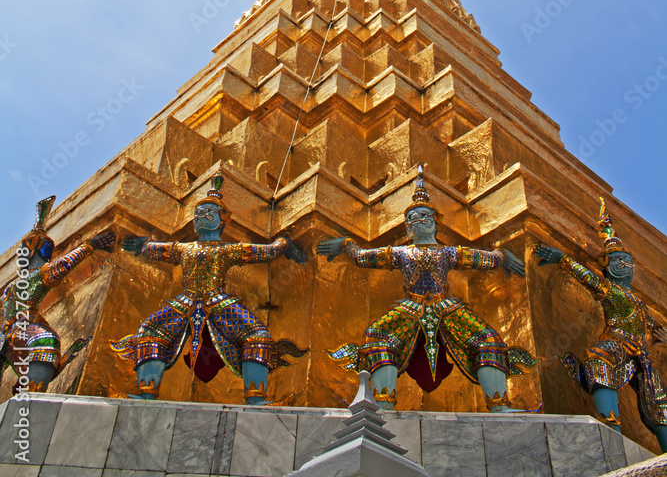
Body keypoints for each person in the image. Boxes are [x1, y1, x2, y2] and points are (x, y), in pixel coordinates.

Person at [317, 165, 539, 410]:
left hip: (446, 306)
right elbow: (362, 258)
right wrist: (346, 244)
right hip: (410, 306)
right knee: (376, 338)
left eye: (423, 216)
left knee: (488, 340)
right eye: (411, 219)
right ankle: (383, 406)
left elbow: (481, 259)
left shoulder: (448, 253)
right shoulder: (400, 253)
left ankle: (499, 405)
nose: (417, 221)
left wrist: (502, 256)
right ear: (407, 228)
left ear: (435, 223)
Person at [111, 175, 307, 402]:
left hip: (219, 301)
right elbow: (158, 250)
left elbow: (267, 252)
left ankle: (256, 397)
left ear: (223, 220)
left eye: (208, 213)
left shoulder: (228, 250)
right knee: (149, 330)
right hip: (185, 300)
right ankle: (146, 392)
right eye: (197, 214)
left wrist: (285, 243)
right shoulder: (184, 249)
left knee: (258, 337)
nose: (200, 217)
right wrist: (143, 243)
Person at [534, 198, 667, 450]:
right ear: (608, 267)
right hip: (616, 342)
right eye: (618, 262)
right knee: (597, 359)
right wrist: (562, 259)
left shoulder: (639, 303)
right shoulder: (610, 290)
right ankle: (609, 425)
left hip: (642, 353)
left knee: (658, 400)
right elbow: (588, 280)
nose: (624, 267)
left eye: (628, 263)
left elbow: (653, 328)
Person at [1, 195, 115, 392]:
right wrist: (91, 246)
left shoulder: (16, 284)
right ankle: (34, 387)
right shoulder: (31, 277)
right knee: (46, 343)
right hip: (25, 331)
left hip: (11, 335)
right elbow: (61, 266)